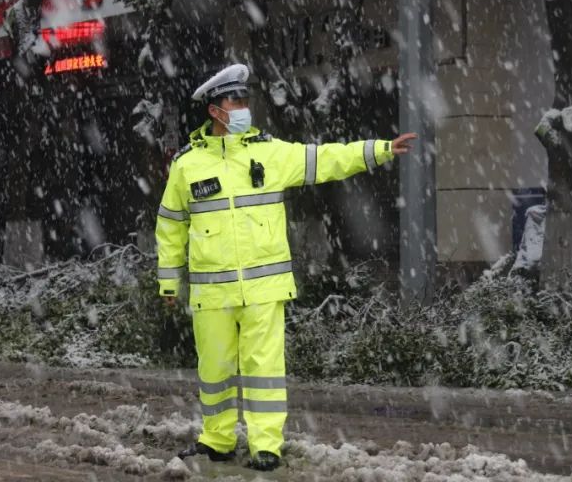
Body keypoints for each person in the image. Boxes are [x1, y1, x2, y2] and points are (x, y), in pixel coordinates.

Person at [156, 63, 417, 471]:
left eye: (245, 99)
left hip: (264, 288)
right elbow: (171, 226)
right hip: (212, 292)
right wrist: (169, 283)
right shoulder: (187, 165)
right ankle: (218, 440)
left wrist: (379, 150)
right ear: (214, 110)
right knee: (215, 371)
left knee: (264, 371)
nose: (243, 107)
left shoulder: (269, 152)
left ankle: (265, 446)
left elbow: (325, 159)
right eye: (234, 100)